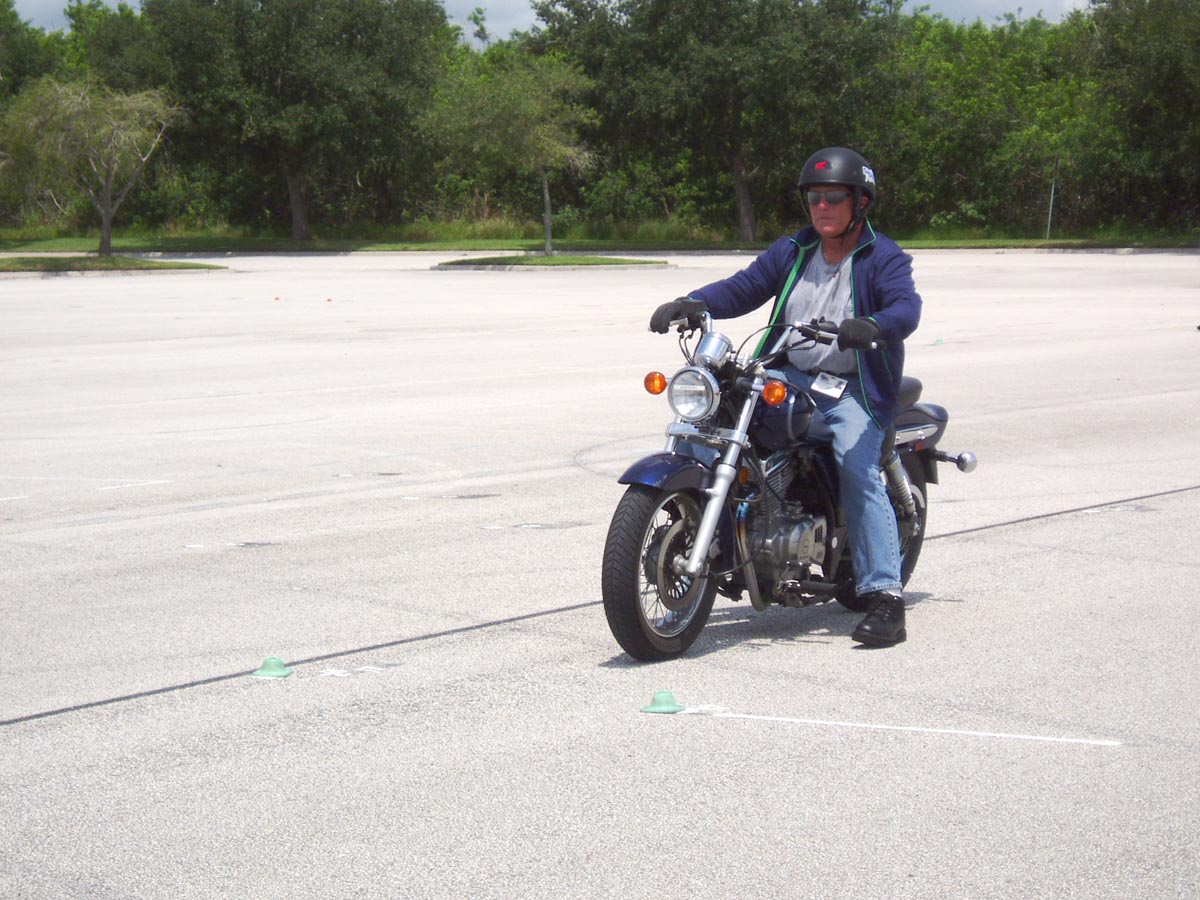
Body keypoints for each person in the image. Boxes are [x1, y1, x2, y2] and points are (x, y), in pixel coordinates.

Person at [648, 147, 922, 646]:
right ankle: (725, 534)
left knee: (857, 465)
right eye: (814, 198)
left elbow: (906, 306)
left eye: (833, 197)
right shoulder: (793, 250)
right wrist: (694, 302)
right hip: (788, 373)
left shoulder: (882, 256)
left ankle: (885, 595)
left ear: (860, 202)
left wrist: (874, 325)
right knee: (716, 420)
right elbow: (745, 287)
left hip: (852, 386)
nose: (822, 206)